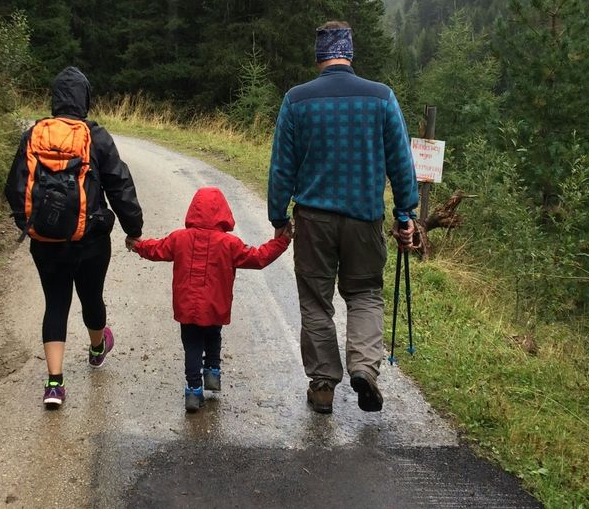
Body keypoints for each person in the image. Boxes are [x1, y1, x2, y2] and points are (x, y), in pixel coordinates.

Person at [267, 21, 420, 415]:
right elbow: (401, 163)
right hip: (365, 218)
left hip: (314, 220)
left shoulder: (296, 101)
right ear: (349, 52)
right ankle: (364, 369)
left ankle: (322, 386)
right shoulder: (381, 98)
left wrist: (277, 215)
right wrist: (406, 213)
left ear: (319, 55)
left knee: (316, 301)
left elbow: (281, 167)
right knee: (365, 293)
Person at [4, 67, 144, 409]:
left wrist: (30, 223)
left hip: (45, 242)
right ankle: (97, 349)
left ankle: (54, 383)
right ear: (85, 99)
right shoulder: (96, 136)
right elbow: (119, 185)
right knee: (91, 297)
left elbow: (14, 187)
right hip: (91, 240)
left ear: (55, 99)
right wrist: (133, 229)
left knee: (55, 303)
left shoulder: (34, 134)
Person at [131, 187, 292, 413]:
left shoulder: (179, 238)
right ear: (223, 213)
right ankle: (213, 372)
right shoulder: (230, 244)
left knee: (192, 345)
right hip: (216, 305)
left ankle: (193, 390)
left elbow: (156, 249)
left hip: (187, 306)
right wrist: (282, 242)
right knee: (213, 335)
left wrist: (137, 244)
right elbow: (258, 257)